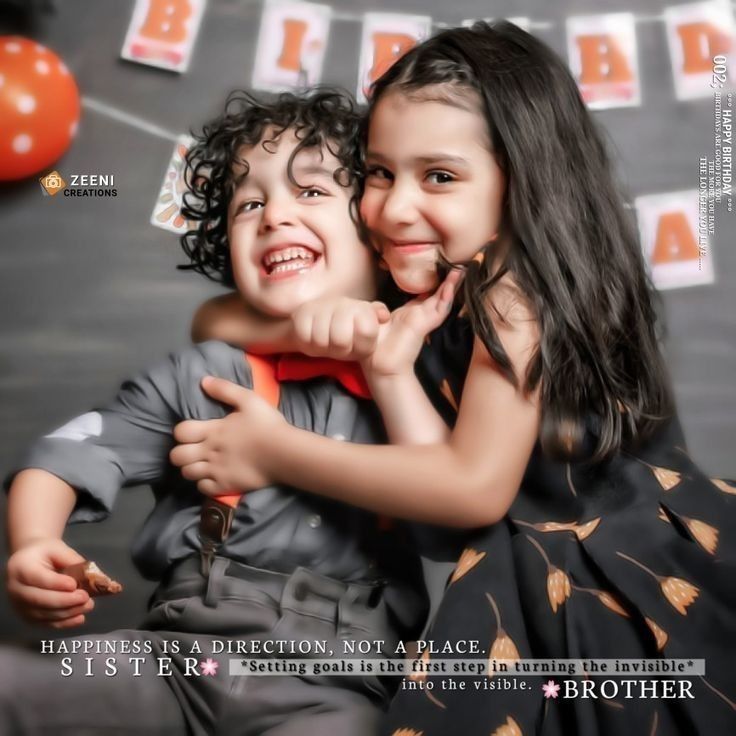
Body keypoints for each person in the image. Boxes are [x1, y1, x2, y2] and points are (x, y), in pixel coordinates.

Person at [171, 22, 736, 736]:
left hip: (617, 579)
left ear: (522, 179)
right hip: (515, 566)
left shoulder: (515, 290)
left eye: (439, 176)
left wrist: (273, 451)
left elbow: (472, 487)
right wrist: (343, 337)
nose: (394, 206)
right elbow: (216, 321)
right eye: (379, 172)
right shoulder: (433, 271)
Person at [1, 88, 437, 736]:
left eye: (311, 191)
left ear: (381, 232)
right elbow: (77, 449)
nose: (273, 216)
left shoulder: (434, 379)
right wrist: (35, 542)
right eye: (250, 202)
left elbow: (451, 500)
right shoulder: (211, 372)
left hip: (335, 695)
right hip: (170, 665)